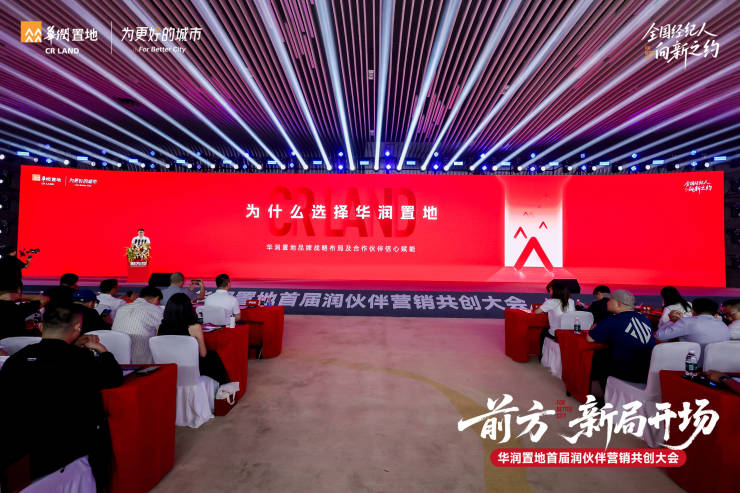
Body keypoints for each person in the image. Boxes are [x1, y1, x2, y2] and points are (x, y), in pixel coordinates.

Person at [0, 304, 123, 486]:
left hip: (21, 448)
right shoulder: (80, 359)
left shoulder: (16, 359)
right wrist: (102, 350)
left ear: (41, 326)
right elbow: (113, 378)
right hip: (72, 447)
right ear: (78, 327)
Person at [587, 290, 656, 394]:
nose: (607, 302)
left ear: (618, 304)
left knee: (598, 357)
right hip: (648, 372)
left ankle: (603, 395)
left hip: (626, 372)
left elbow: (590, 338)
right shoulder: (644, 319)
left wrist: (593, 329)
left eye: (610, 300)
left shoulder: (612, 320)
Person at [158, 293, 231, 384]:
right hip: (190, 368)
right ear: (188, 309)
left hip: (168, 368)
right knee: (214, 356)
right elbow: (203, 354)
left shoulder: (160, 327)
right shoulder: (195, 327)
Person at [655, 298, 729, 366]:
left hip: (691, 366)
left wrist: (671, 321)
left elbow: (659, 336)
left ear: (692, 310)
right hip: (718, 365)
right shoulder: (723, 325)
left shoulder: (687, 322)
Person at [111, 286, 163, 363]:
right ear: (157, 298)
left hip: (117, 358)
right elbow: (164, 330)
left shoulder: (122, 308)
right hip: (141, 360)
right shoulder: (155, 309)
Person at [534, 281, 574, 351]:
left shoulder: (551, 302)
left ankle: (541, 354)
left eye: (550, 290)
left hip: (556, 333)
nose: (549, 292)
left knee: (543, 331)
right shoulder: (571, 301)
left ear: (556, 291)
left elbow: (536, 312)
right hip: (569, 332)